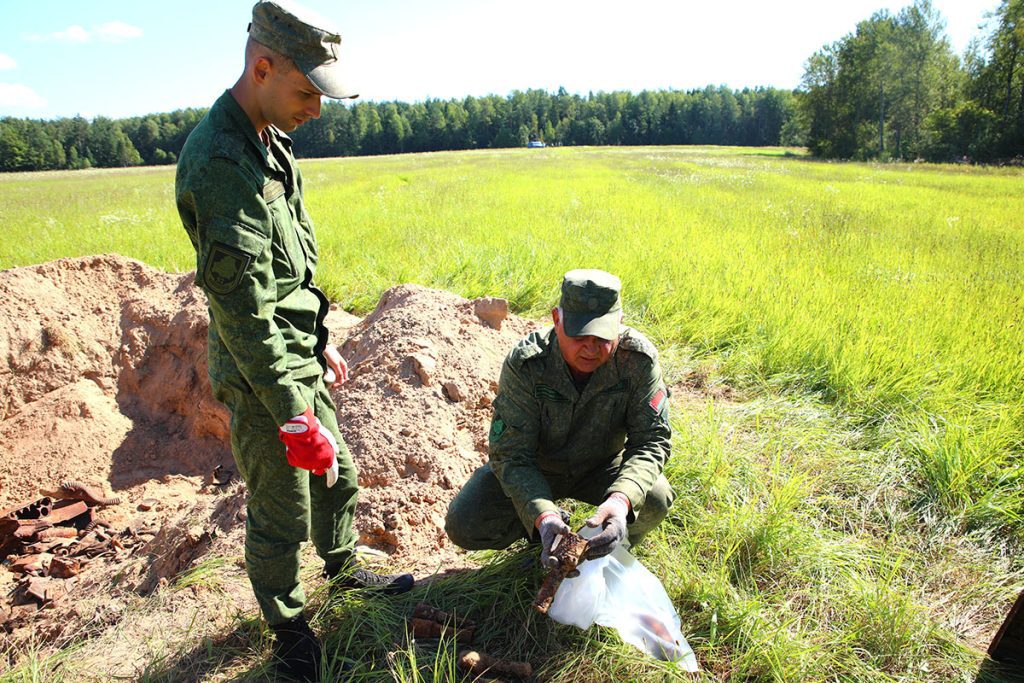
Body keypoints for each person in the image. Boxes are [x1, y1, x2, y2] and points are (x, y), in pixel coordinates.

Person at [175, 2, 413, 680]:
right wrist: (289, 407)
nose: (317, 107)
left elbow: (286, 273)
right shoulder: (221, 161)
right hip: (260, 371)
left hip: (294, 351)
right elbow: (244, 307)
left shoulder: (270, 140)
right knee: (282, 507)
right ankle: (288, 631)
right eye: (308, 91)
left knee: (338, 470)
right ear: (262, 67)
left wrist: (318, 338)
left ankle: (341, 570)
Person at [445, 269, 674, 572]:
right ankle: (545, 536)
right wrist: (543, 516)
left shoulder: (638, 361)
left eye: (602, 335)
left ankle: (611, 546)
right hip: (538, 467)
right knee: (466, 522)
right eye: (579, 335)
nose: (590, 348)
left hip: (601, 466)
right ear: (557, 319)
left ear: (619, 324)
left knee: (655, 496)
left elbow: (651, 440)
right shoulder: (527, 363)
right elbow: (511, 454)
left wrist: (621, 501)